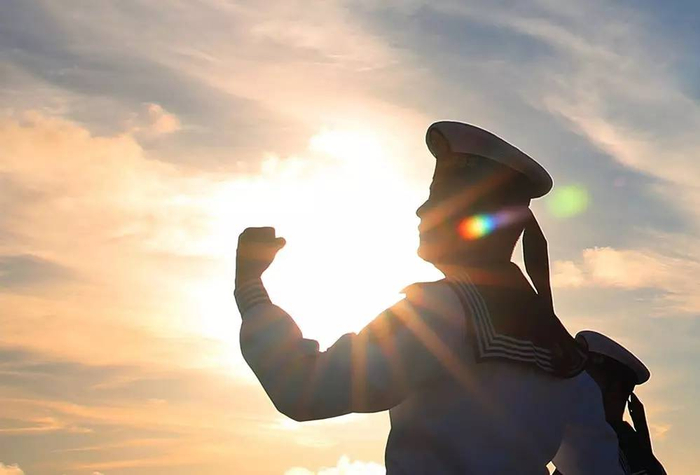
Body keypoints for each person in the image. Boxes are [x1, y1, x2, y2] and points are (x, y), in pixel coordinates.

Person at [234, 121, 626, 474]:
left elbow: (305, 390)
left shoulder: (438, 312)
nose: (421, 210)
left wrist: (250, 286)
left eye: (437, 196)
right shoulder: (562, 352)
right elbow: (599, 467)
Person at [568, 331, 667, 475]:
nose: (579, 388)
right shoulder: (582, 444)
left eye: (588, 381)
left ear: (615, 388)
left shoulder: (616, 451)